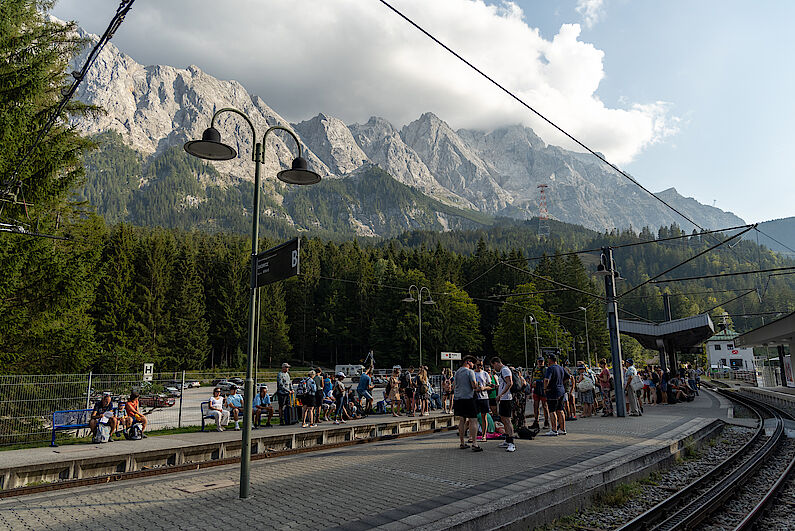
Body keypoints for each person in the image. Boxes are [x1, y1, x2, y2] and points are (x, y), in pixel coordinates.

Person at [453, 356, 483, 452]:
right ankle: (474, 443)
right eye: (473, 363)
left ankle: (462, 442)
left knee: (461, 420)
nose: (473, 365)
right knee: (473, 420)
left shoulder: (457, 372)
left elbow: (454, 385)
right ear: (468, 362)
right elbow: (474, 386)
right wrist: (479, 386)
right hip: (469, 399)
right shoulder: (470, 372)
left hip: (458, 399)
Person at [490, 356, 516, 452]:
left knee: (507, 420)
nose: (494, 369)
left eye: (493, 366)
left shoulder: (505, 370)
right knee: (503, 419)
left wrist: (501, 394)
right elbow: (504, 384)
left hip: (506, 399)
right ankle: (507, 439)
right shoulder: (502, 372)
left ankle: (511, 442)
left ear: (496, 363)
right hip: (503, 399)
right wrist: (497, 387)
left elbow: (510, 383)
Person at [543, 354, 566, 436]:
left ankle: (554, 429)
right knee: (560, 410)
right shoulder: (561, 368)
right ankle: (563, 429)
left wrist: (545, 389)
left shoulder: (550, 368)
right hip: (561, 390)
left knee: (552, 411)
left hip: (552, 391)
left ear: (550, 360)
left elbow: (546, 380)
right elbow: (568, 377)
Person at [473, 360, 492, 442]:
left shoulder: (485, 373)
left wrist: (484, 388)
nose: (479, 366)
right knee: (472, 417)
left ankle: (484, 435)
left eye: (481, 365)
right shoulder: (472, 373)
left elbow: (490, 386)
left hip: (484, 397)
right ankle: (472, 436)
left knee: (484, 416)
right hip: (474, 397)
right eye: (478, 365)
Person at [530, 357, 550, 429]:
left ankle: (546, 421)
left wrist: (538, 383)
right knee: (535, 406)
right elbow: (532, 377)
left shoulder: (545, 369)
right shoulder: (534, 369)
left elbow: (547, 379)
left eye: (542, 361)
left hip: (542, 389)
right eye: (539, 361)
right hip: (535, 389)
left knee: (545, 406)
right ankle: (536, 421)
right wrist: (531, 385)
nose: (540, 363)